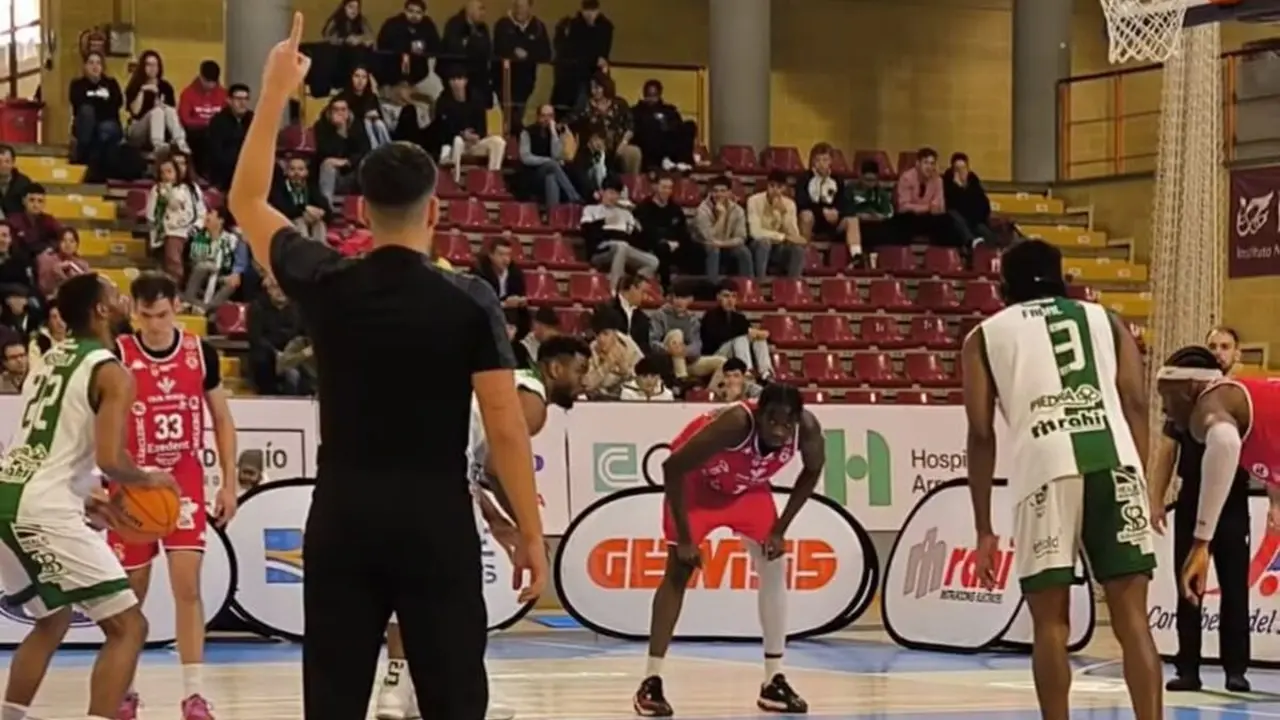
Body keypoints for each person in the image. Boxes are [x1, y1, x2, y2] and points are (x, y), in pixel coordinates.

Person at [227, 15, 547, 720]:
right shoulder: (471, 300)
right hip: (436, 526)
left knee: (334, 701)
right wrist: (528, 531)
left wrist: (278, 89)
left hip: (342, 520)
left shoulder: (327, 280)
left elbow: (246, 200)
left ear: (363, 210)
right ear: (435, 209)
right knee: (454, 700)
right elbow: (504, 426)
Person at [962, 239, 1161, 720]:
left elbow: (981, 432)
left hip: (1044, 468)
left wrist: (984, 527)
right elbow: (1135, 403)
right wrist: (1139, 478)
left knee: (1050, 624)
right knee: (1133, 618)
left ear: (1004, 284)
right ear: (1061, 276)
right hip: (1116, 461)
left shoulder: (985, 336)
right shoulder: (1106, 320)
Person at [376, 335, 591, 720]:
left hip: (409, 467)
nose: (584, 381)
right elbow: (497, 466)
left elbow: (477, 470)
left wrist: (494, 518)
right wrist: (529, 530)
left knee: (407, 586)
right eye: (580, 371)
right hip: (442, 482)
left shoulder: (506, 381)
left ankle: (396, 690)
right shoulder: (532, 399)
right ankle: (465, 695)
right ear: (555, 368)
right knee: (460, 600)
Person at [0, 273, 168, 720]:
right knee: (129, 626)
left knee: (51, 619)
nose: (122, 299)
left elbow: (50, 443)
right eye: (114, 294)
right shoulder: (112, 371)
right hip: (44, 510)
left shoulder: (49, 360)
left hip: (9, 496)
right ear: (100, 310)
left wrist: (87, 498)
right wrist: (152, 480)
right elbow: (112, 461)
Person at [633, 383, 822, 717]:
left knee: (774, 562)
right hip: (695, 485)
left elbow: (813, 469)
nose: (779, 431)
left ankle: (773, 680)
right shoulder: (736, 423)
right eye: (772, 421)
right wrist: (687, 539)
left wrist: (780, 529)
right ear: (759, 413)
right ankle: (651, 681)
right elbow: (671, 468)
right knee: (679, 569)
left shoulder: (805, 427)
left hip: (745, 489)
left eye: (786, 424)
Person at [107, 273, 238, 720]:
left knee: (187, 585)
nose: (155, 325)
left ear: (177, 306)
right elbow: (96, 422)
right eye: (146, 316)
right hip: (133, 485)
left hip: (181, 482)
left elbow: (222, 419)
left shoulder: (202, 352)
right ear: (134, 311)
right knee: (130, 595)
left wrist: (228, 482)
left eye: (162, 315)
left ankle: (194, 693)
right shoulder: (118, 353)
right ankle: (125, 690)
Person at [1148, 327, 1250, 693]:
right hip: (1192, 498)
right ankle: (1188, 667)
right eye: (1213, 346)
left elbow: (1269, 450)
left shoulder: (1241, 402)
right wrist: (1155, 497)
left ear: (1236, 354)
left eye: (1225, 346)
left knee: (1235, 587)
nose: (1219, 352)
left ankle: (1236, 669)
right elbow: (1166, 452)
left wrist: (1274, 501)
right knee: (1188, 586)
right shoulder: (1184, 401)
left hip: (1233, 502)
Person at [1157, 348, 1280, 605]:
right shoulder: (1245, 404)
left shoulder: (1211, 402)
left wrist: (1202, 542)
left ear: (1189, 388)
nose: (1164, 408)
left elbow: (1225, 444)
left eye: (1166, 396)